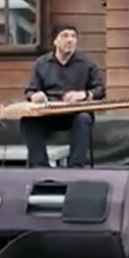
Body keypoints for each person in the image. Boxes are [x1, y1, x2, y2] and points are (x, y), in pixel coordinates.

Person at [22, 24, 105, 168]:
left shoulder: (86, 63)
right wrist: (35, 96)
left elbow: (100, 90)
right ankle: (40, 166)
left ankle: (75, 167)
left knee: (84, 118)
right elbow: (30, 91)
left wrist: (83, 95)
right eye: (65, 36)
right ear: (55, 40)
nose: (70, 40)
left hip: (75, 113)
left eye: (73, 36)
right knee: (28, 120)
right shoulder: (41, 63)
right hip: (50, 113)